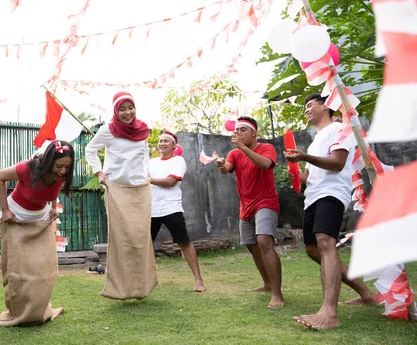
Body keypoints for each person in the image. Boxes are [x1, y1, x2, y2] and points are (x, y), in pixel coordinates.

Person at [285, 94, 375, 330]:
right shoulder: (315, 141)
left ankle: (329, 313)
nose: (306, 110)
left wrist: (305, 157)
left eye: (309, 105)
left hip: (332, 193)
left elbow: (336, 163)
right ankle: (366, 293)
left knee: (326, 242)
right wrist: (297, 172)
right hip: (313, 196)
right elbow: (310, 177)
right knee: (313, 250)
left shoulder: (339, 129)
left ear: (325, 106)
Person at [0, 140, 74, 327]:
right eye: (59, 166)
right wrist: (5, 210)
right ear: (48, 161)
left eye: (67, 167)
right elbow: (0, 177)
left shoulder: (61, 173)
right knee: (17, 269)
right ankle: (18, 311)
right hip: (15, 217)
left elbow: (52, 190)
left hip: (40, 220)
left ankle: (39, 309)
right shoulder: (27, 168)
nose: (63, 171)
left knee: (44, 267)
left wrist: (52, 206)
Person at [85, 91, 158, 300]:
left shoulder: (142, 129)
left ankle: (142, 288)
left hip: (140, 189)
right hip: (117, 189)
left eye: (130, 107)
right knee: (122, 239)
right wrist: (99, 172)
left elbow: (143, 154)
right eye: (122, 109)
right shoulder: (108, 130)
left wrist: (146, 174)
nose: (128, 112)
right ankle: (120, 289)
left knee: (141, 238)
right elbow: (90, 150)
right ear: (116, 111)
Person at [216, 116, 285, 309]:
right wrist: (221, 164)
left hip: (266, 201)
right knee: (252, 246)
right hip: (245, 206)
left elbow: (265, 164)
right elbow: (226, 169)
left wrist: (243, 148)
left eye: (242, 130)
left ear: (254, 133)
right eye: (236, 130)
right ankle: (267, 284)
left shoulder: (266, 148)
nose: (237, 133)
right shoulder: (234, 153)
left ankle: (277, 294)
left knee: (264, 241)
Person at [149, 131, 205, 292]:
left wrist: (150, 180)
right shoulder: (151, 162)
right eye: (160, 141)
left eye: (166, 141)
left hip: (171, 208)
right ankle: (143, 280)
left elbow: (171, 182)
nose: (162, 144)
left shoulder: (178, 161)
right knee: (145, 245)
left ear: (174, 145)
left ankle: (198, 280)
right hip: (152, 210)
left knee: (184, 243)